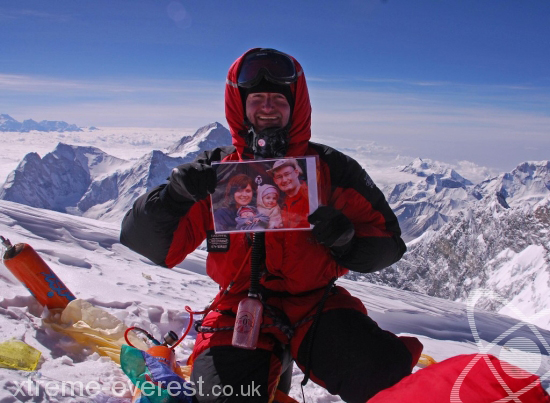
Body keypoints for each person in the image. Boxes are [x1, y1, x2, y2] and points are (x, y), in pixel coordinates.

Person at [120, 48, 422, 403]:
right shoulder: (214, 172)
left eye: (278, 98)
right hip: (237, 307)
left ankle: (281, 364)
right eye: (257, 99)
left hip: (317, 303)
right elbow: (148, 243)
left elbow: (388, 241)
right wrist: (173, 198)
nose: (267, 107)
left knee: (385, 378)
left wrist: (347, 241)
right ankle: (271, 367)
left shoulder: (331, 169)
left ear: (296, 106)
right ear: (240, 106)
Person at [267, 158, 309, 229]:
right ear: (275, 181)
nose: (284, 180)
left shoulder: (310, 196)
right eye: (279, 177)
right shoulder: (280, 204)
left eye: (287, 174)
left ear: (296, 173)